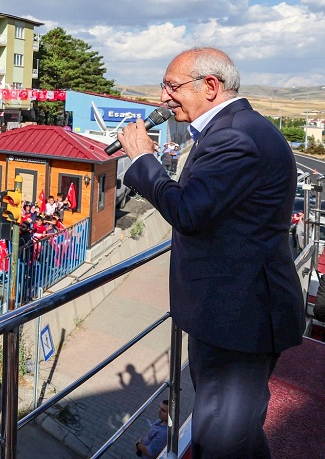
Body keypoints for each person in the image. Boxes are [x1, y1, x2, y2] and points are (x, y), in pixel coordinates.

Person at [117, 47, 304, 459]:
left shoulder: (236, 136)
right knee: (225, 433)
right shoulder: (236, 128)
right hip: (231, 312)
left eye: (172, 86)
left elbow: (188, 211)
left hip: (238, 315)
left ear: (211, 87)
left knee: (223, 439)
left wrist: (144, 159)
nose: (164, 97)